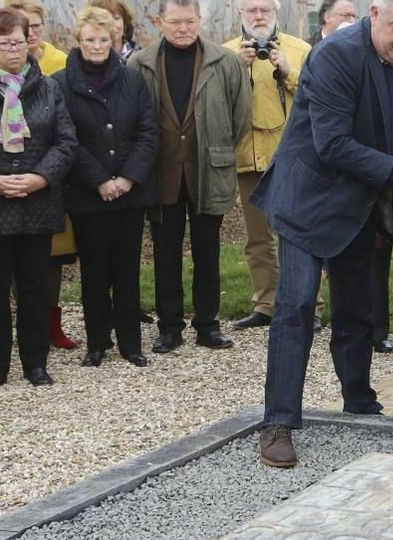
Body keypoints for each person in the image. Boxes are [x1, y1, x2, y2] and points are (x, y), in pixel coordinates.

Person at [249, 0, 393, 468]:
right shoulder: (336, 54)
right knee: (296, 306)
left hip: (363, 201)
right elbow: (333, 143)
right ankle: (278, 422)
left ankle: (359, 403)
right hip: (309, 197)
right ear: (375, 12)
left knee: (359, 307)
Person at [128, 0, 251, 355]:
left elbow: (240, 116)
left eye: (190, 21)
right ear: (159, 22)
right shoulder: (141, 64)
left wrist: (218, 149)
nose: (184, 28)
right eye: (176, 22)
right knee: (165, 253)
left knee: (207, 252)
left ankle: (207, 325)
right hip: (161, 173)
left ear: (201, 21)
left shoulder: (224, 62)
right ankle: (169, 328)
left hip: (207, 172)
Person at [54, 7, 157, 368]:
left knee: (127, 270)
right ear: (77, 41)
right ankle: (97, 342)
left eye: (102, 39)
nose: (96, 45)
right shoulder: (61, 82)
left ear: (113, 40)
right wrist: (99, 179)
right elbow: (67, 137)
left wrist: (127, 178)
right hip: (87, 193)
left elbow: (147, 133)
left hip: (130, 193)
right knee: (94, 271)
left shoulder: (132, 79)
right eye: (89, 40)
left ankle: (131, 343)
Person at [0, 7, 77, 389]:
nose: (14, 49)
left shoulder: (48, 87)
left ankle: (35, 362)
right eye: (4, 42)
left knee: (35, 286)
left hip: (37, 201)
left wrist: (40, 177)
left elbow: (66, 141)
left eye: (20, 40)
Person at [224, 0, 321, 332]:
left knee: (299, 234)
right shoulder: (225, 54)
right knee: (258, 238)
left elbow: (319, 95)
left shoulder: (301, 49)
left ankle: (311, 305)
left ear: (276, 12)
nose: (258, 15)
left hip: (291, 157)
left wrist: (288, 71)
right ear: (240, 13)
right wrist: (234, 68)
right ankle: (266, 304)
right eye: (251, 10)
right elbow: (214, 100)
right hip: (248, 155)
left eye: (265, 8)